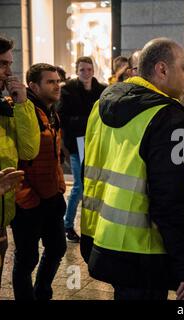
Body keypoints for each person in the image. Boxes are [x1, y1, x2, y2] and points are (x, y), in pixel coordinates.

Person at [81, 38, 184, 300]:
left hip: (106, 239)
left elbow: (90, 174)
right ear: (161, 69)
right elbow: (170, 200)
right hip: (146, 253)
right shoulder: (168, 118)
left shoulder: (102, 104)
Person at [12, 63, 67, 300]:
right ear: (33, 85)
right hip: (28, 201)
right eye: (50, 82)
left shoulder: (52, 111)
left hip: (51, 196)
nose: (57, 86)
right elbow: (15, 158)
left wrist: (60, 186)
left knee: (57, 248)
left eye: (58, 81)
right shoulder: (22, 111)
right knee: (26, 259)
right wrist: (25, 196)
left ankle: (42, 291)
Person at [0, 35, 40, 289]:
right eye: (3, 64)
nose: (9, 71)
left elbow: (29, 150)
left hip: (3, 216)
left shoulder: (7, 106)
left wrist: (23, 105)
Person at [59, 56, 106, 242]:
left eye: (88, 69)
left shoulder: (102, 90)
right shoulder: (68, 90)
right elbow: (63, 117)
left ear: (93, 70)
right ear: (76, 71)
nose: (86, 73)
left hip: (97, 143)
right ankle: (68, 224)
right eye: (82, 70)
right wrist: (86, 121)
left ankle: (95, 225)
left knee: (97, 184)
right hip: (77, 143)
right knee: (78, 186)